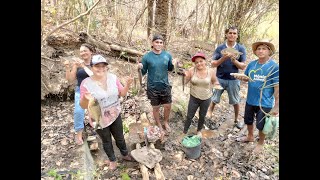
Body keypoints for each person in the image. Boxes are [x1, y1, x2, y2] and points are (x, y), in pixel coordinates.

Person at [79, 54, 134, 170]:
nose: (101, 69)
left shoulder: (113, 77)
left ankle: (124, 154)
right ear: (91, 67)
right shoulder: (86, 83)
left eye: (103, 66)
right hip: (98, 118)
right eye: (97, 66)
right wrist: (85, 98)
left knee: (120, 137)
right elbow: (83, 106)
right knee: (106, 141)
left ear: (106, 67)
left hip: (115, 114)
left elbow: (122, 93)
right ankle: (112, 159)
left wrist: (128, 85)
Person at [234, 40, 279, 154]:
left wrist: (276, 106)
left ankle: (261, 143)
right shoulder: (252, 64)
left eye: (264, 48)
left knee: (261, 125)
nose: (260, 51)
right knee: (248, 120)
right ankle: (250, 136)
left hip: (265, 102)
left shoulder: (274, 67)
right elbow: (247, 77)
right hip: (250, 99)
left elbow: (277, 87)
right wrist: (242, 78)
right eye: (258, 49)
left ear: (269, 51)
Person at [206, 26, 247, 129]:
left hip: (234, 79)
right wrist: (223, 58)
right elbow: (213, 64)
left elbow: (242, 66)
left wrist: (234, 60)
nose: (232, 35)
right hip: (219, 78)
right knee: (214, 99)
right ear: (226, 34)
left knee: (235, 101)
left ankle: (236, 119)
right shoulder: (220, 48)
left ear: (237, 36)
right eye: (230, 33)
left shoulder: (241, 48)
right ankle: (209, 115)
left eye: (234, 33)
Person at [137, 34, 174, 135]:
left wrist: (174, 64)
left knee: (168, 106)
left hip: (165, 86)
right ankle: (158, 124)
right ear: (152, 43)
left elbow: (170, 68)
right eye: (157, 42)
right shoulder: (147, 57)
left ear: (163, 44)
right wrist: (139, 68)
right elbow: (143, 72)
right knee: (156, 108)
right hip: (152, 87)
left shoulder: (167, 55)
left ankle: (165, 122)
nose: (159, 44)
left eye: (161, 42)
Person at [64, 43, 95, 145]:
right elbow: (70, 80)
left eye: (85, 50)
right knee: (78, 111)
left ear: (91, 51)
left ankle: (97, 129)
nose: (83, 53)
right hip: (80, 91)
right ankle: (79, 134)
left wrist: (83, 66)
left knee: (95, 112)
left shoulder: (96, 62)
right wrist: (68, 68)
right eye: (81, 51)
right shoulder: (77, 64)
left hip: (94, 91)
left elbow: (95, 76)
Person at [183, 52, 220, 136]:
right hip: (194, 97)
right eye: (196, 62)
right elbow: (185, 81)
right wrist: (184, 75)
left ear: (205, 61)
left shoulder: (211, 71)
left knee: (202, 116)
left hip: (206, 98)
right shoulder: (192, 70)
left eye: (201, 61)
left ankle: (199, 130)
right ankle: (185, 131)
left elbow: (215, 81)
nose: (199, 63)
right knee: (189, 115)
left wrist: (217, 86)